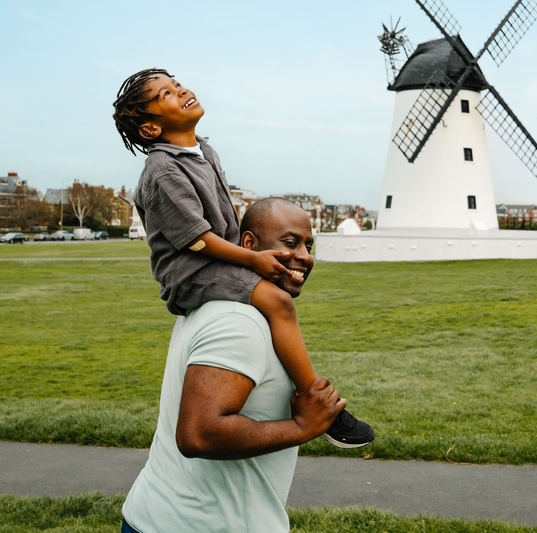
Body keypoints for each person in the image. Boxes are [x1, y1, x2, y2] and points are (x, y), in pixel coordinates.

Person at [112, 68, 373, 449]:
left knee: (275, 291)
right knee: (278, 301)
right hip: (192, 271)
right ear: (151, 129)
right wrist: (252, 261)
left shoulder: (205, 150)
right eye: (166, 95)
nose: (181, 90)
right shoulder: (163, 170)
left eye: (177, 84)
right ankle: (318, 401)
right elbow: (197, 241)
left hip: (217, 261)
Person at [122, 197, 343, 533]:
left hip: (164, 519)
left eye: (308, 245)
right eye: (290, 242)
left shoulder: (217, 301)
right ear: (250, 244)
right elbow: (199, 433)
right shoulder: (240, 321)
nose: (304, 256)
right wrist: (302, 427)